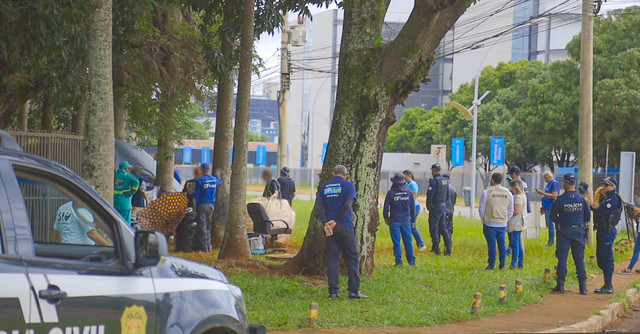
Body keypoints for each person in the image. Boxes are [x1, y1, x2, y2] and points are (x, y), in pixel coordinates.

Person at [316, 165, 368, 299]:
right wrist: (336, 221)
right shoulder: (349, 185)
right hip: (344, 225)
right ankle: (353, 290)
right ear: (346, 175)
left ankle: (333, 291)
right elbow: (347, 205)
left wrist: (327, 223)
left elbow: (319, 207)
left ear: (333, 173)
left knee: (333, 258)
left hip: (329, 229)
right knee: (352, 257)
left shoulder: (325, 187)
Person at [549, 174, 590, 294]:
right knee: (579, 259)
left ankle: (560, 286)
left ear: (565, 183)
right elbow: (587, 216)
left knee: (562, 259)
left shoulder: (560, 199)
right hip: (579, 231)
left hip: (564, 232)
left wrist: (561, 221)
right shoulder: (582, 199)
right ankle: (583, 287)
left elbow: (552, 216)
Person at [592, 177, 623, 294]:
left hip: (607, 231)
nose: (604, 187)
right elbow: (595, 208)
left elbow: (601, 211)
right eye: (604, 184)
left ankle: (608, 285)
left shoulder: (614, 199)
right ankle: (606, 284)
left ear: (613, 187)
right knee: (600, 258)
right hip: (602, 230)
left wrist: (597, 207)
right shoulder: (605, 198)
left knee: (607, 258)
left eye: (607, 185)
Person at [479, 173, 514, 270]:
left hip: (489, 222)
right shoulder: (508, 193)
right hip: (502, 223)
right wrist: (505, 220)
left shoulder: (487, 192)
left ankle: (491, 264)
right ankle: (502, 264)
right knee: (502, 244)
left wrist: (484, 220)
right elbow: (511, 210)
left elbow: (481, 208)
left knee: (491, 245)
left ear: (493, 180)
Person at [383, 173, 416, 266]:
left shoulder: (391, 193)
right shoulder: (409, 192)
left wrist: (386, 218)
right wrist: (413, 221)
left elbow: (386, 207)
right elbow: (413, 208)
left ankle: (398, 261)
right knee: (408, 241)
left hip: (394, 220)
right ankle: (412, 262)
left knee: (396, 242)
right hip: (406, 221)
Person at [194, 163, 221, 252]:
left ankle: (204, 247)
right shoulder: (214, 180)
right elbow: (219, 181)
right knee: (209, 225)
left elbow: (196, 196)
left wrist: (195, 207)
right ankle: (209, 246)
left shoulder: (200, 181)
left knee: (202, 226)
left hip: (201, 204)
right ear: (208, 170)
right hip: (211, 205)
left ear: (202, 170)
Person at [426, 164, 452, 255]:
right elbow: (447, 196)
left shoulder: (434, 181)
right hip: (443, 206)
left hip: (435, 207)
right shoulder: (445, 181)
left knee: (434, 228)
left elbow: (430, 195)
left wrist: (429, 206)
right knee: (444, 228)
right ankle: (448, 249)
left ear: (433, 171)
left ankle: (437, 250)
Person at [403, 170, 427, 251]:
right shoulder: (407, 184)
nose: (404, 178)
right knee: (409, 226)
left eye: (404, 176)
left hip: (414, 207)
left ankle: (421, 244)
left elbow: (414, 196)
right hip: (409, 207)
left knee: (412, 226)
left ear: (409, 175)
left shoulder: (412, 184)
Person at [507, 180, 527, 269]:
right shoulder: (523, 196)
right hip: (519, 222)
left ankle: (514, 264)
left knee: (514, 244)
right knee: (518, 244)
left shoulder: (518, 197)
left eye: (512, 188)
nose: (511, 189)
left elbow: (517, 211)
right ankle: (520, 263)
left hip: (515, 223)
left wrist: (507, 212)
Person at [113, 161, 140, 225]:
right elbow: (136, 182)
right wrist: (131, 192)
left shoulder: (114, 174)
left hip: (114, 202)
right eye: (128, 168)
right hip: (125, 202)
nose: (129, 170)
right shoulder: (127, 175)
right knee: (125, 223)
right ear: (126, 168)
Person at [537, 171, 560, 247]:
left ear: (550, 177)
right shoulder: (548, 184)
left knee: (550, 224)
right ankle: (551, 240)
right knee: (548, 224)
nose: (545, 180)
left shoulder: (554, 183)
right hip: (546, 206)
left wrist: (543, 193)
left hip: (551, 206)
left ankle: (551, 241)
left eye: (546, 178)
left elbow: (554, 195)